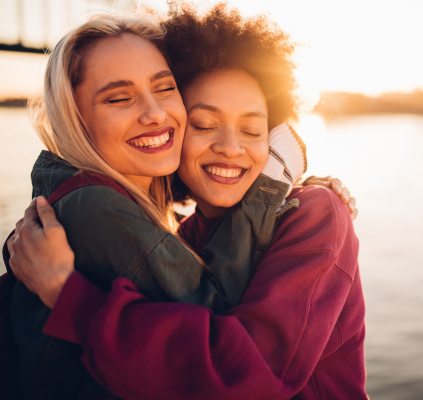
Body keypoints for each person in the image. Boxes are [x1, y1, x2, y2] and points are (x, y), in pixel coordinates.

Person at [8, 3, 366, 400]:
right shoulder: (175, 233)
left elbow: (248, 375)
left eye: (252, 130)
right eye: (204, 124)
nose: (230, 148)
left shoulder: (316, 213)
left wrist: (68, 297)